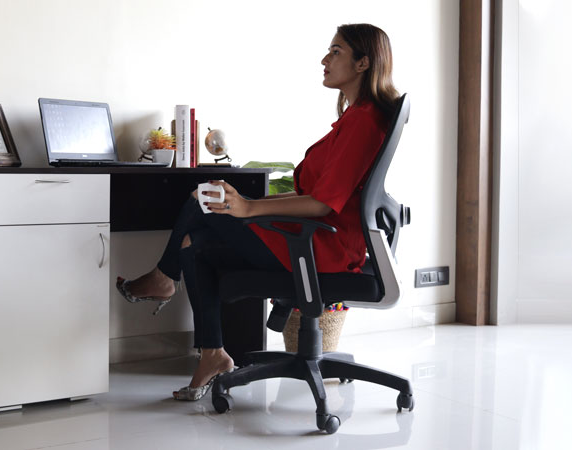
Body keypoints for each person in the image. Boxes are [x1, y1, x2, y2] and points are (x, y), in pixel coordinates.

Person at [116, 23, 400, 401]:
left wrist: (248, 207)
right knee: (195, 242)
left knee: (200, 201)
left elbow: (321, 203)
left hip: (323, 248)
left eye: (336, 52)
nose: (324, 60)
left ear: (364, 63)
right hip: (317, 238)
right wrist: (246, 206)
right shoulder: (354, 118)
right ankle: (212, 353)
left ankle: (164, 279)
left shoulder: (363, 121)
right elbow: (313, 194)